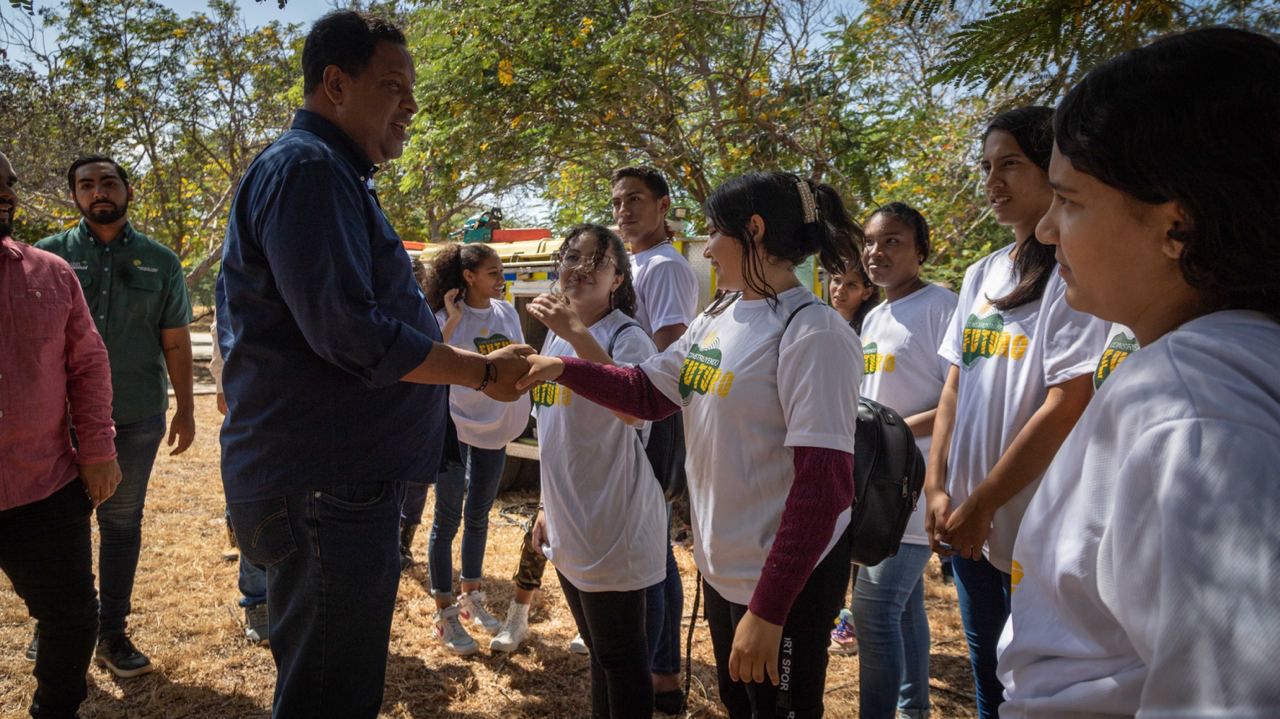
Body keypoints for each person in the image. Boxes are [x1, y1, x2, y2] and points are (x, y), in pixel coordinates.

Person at [215, 11, 531, 717]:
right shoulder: (307, 170)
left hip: (331, 477)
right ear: (335, 83)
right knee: (331, 692)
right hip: (327, 483)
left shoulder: (330, 174)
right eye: (393, 85)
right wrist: (479, 371)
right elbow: (350, 333)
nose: (411, 104)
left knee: (333, 680)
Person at [997, 28, 1280, 716]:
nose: (1045, 231)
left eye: (1071, 201)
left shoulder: (1191, 408)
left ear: (1176, 227)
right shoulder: (1221, 368)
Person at [519, 171, 863, 718]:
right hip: (726, 569)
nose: (705, 247)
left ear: (753, 230)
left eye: (712, 231)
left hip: (784, 582)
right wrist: (560, 366)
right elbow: (646, 393)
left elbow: (824, 487)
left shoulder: (813, 332)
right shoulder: (718, 316)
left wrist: (770, 612)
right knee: (739, 705)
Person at [924, 106, 1108, 719]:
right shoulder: (982, 273)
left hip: (1032, 525)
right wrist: (938, 486)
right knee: (987, 675)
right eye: (986, 167)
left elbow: (1067, 402)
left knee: (1036, 685)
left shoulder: (1074, 273)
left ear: (1051, 171)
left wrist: (983, 504)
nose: (993, 181)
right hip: (969, 519)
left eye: (1011, 165)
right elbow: (955, 386)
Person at [35, 154, 195, 678]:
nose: (98, 192)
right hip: (56, 420)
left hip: (135, 415)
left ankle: (111, 634)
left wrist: (186, 408)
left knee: (121, 524)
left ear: (127, 190)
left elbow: (174, 343)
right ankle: (56, 627)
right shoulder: (46, 257)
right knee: (60, 527)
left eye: (108, 182)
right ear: (75, 196)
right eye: (86, 185)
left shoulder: (160, 261)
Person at [526, 224, 668, 718]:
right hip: (570, 521)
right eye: (571, 257)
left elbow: (633, 411)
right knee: (600, 655)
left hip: (615, 524)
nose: (581, 269)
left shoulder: (628, 337)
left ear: (618, 280)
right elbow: (552, 431)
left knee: (623, 660)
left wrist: (576, 334)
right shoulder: (554, 335)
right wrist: (546, 506)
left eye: (597, 262)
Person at [0, 150, 122, 719]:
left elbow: (88, 366)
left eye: (10, 183)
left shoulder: (50, 273)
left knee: (72, 617)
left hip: (42, 486)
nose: (5, 194)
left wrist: (97, 451)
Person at [847, 202, 958, 718]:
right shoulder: (877, 314)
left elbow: (960, 400)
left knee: (873, 613)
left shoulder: (942, 306)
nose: (877, 251)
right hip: (877, 487)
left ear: (920, 250)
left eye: (892, 241)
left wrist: (890, 436)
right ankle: (913, 712)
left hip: (913, 488)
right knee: (906, 608)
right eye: (870, 241)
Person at [611, 165, 698, 711]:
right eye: (617, 201)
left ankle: (662, 673)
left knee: (654, 548)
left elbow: (668, 358)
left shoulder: (664, 266)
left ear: (664, 206)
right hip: (627, 416)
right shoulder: (633, 263)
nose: (624, 210)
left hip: (653, 417)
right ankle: (658, 666)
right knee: (652, 545)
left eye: (636, 199)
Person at [417, 243, 531, 655]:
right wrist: (453, 318)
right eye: (493, 272)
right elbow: (431, 355)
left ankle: (471, 598)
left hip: (494, 426)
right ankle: (444, 610)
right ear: (468, 276)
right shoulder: (445, 316)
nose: (501, 279)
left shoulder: (506, 313)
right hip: (453, 425)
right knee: (447, 518)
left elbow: (518, 359)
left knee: (479, 513)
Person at [208, 311, 269, 646]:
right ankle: (257, 601)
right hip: (254, 413)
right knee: (255, 509)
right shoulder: (240, 271)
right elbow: (225, 330)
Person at [828, 255, 880, 334]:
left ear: (867, 293)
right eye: (837, 280)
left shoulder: (873, 329)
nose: (840, 289)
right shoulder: (822, 323)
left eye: (851, 285)